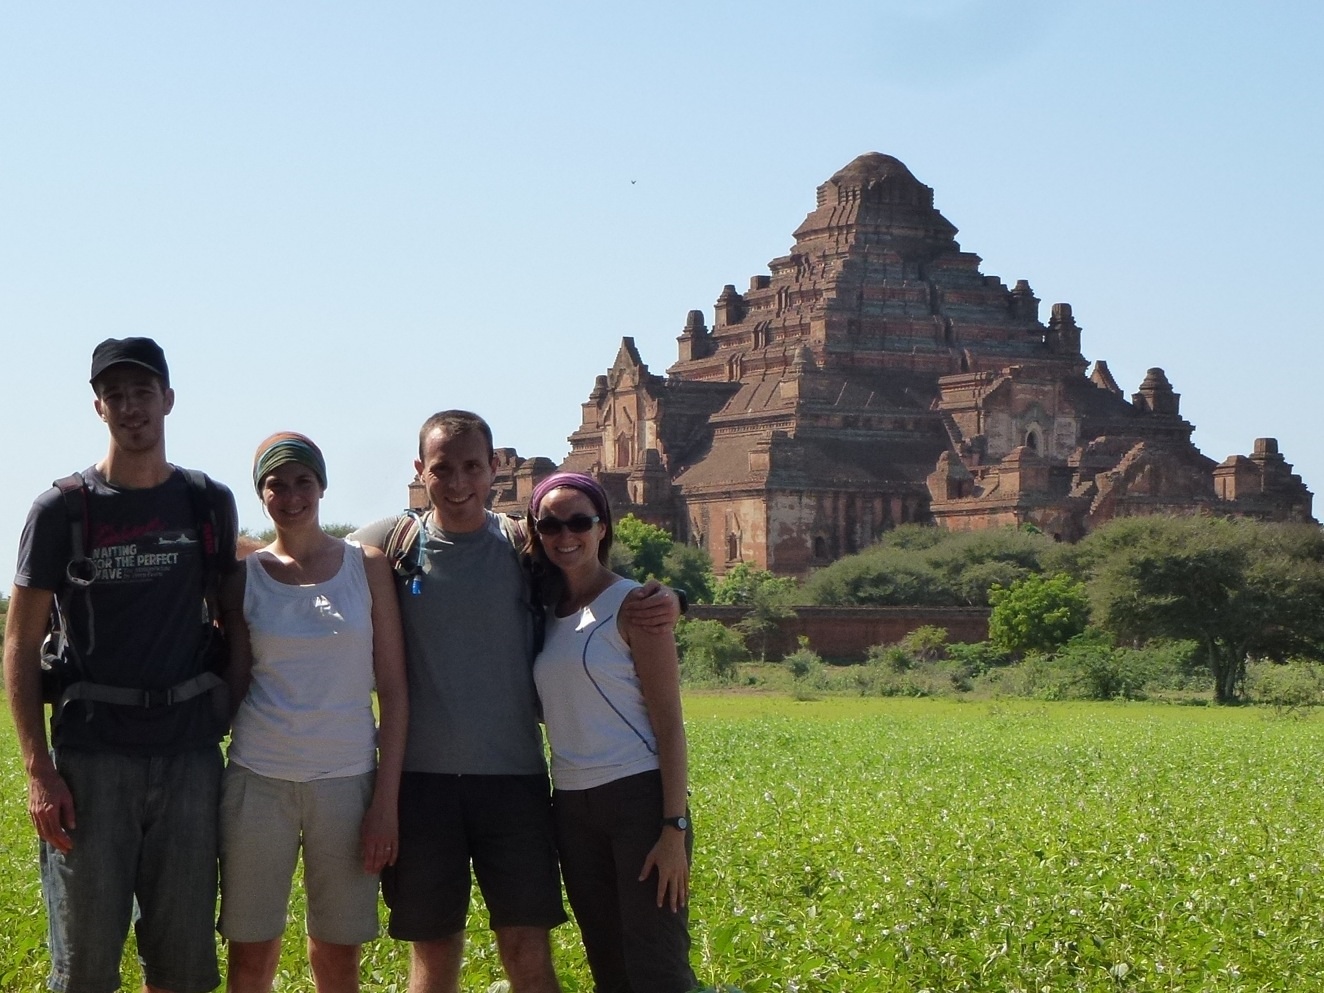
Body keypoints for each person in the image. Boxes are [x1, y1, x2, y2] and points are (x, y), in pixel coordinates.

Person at [351, 410, 681, 993]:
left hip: (516, 783)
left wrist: (669, 600)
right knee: (434, 954)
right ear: (419, 471)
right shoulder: (391, 543)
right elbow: (303, 557)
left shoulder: (522, 545)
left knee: (527, 950)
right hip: (422, 783)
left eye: (472, 467)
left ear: (496, 468)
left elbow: (589, 584)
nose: (458, 483)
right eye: (442, 469)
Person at [3, 337, 238, 993]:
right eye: (116, 395)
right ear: (98, 407)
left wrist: (227, 718)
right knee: (84, 969)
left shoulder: (205, 502)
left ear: (168, 398)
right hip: (90, 762)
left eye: (143, 391)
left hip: (189, 760)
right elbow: (19, 642)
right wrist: (38, 770)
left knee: (184, 967)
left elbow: (235, 622)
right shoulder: (61, 510)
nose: (131, 406)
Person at [218, 433, 408, 993]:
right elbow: (233, 673)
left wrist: (385, 804)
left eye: (303, 480)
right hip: (258, 780)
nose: (291, 495)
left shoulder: (365, 566)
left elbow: (394, 690)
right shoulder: (243, 576)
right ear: (261, 493)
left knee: (337, 959)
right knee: (250, 958)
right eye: (276, 483)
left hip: (347, 784)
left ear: (321, 486)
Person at [526, 472, 697, 993]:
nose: (565, 535)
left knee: (657, 966)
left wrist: (674, 828)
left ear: (603, 528)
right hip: (572, 805)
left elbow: (669, 722)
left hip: (638, 799)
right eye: (551, 524)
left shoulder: (636, 605)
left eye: (580, 521)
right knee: (608, 962)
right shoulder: (543, 611)